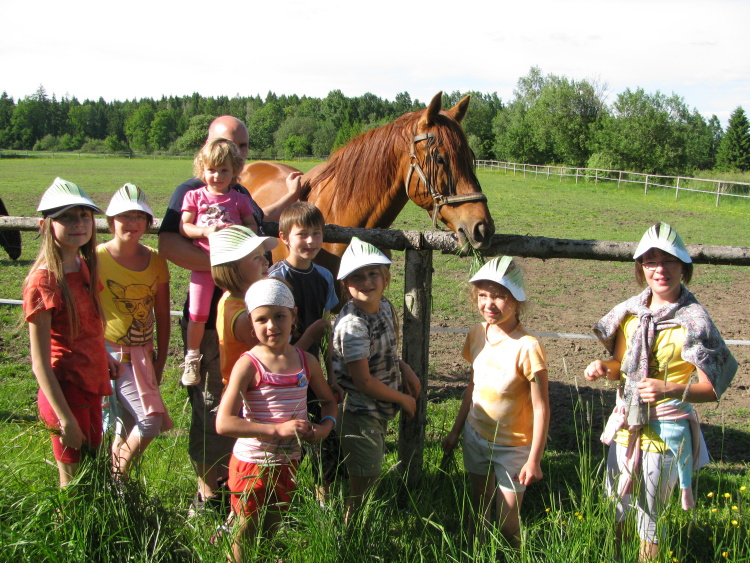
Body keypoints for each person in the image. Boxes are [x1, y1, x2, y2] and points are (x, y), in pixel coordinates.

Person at [158, 115, 303, 517]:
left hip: (247, 314)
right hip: (211, 322)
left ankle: (243, 490)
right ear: (206, 147)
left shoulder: (239, 191)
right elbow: (169, 243)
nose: (236, 154)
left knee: (246, 404)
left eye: (242, 147)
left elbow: (256, 225)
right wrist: (227, 269)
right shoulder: (189, 190)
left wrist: (290, 198)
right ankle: (208, 495)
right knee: (211, 407)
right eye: (227, 144)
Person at [584, 222, 737, 562]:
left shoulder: (695, 321)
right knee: (618, 509)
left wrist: (668, 389)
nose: (660, 270)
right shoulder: (630, 314)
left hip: (667, 434)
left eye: (669, 261)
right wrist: (603, 367)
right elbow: (621, 365)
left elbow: (712, 389)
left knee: (650, 521)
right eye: (651, 262)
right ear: (641, 268)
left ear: (683, 267)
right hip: (626, 428)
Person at [216, 278, 337, 562]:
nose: (271, 325)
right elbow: (224, 423)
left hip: (288, 462)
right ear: (251, 323)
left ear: (294, 316)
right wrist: (277, 430)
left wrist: (324, 428)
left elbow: (329, 400)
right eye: (261, 319)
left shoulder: (306, 361)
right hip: (253, 463)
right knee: (245, 532)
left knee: (272, 527)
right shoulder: (248, 364)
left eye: (279, 316)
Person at [441, 256, 550, 548]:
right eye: (483, 295)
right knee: (478, 507)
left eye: (499, 296)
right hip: (476, 436)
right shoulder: (477, 334)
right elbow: (473, 386)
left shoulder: (528, 347)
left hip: (513, 447)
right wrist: (456, 430)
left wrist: (534, 459)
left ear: (517, 299)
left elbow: (541, 407)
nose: (489, 303)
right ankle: (475, 551)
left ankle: (513, 554)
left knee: (508, 522)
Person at [22, 178, 120, 488]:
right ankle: (67, 522)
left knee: (94, 476)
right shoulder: (44, 282)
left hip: (91, 384)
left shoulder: (83, 265)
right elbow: (40, 363)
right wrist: (65, 419)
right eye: (65, 217)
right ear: (45, 225)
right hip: (66, 391)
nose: (78, 223)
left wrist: (102, 355)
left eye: (84, 215)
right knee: (73, 482)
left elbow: (88, 326)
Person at [332, 237, 421, 524]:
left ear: (386, 278)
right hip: (360, 411)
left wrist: (403, 368)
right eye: (357, 276)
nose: (366, 281)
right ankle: (352, 532)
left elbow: (384, 351)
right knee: (365, 478)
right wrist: (403, 398)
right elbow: (363, 382)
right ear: (345, 284)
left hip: (375, 406)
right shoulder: (354, 326)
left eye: (373, 273)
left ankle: (359, 525)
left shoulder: (383, 306)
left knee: (369, 471)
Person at [98, 184, 172, 480]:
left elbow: (163, 316)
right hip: (108, 355)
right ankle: (118, 475)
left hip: (143, 356)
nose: (132, 223)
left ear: (148, 222)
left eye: (139, 216)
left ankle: (115, 488)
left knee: (128, 424)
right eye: (124, 216)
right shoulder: (95, 259)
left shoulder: (156, 260)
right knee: (149, 421)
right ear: (111, 221)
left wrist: (160, 361)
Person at [268, 202, 342, 500]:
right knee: (289, 437)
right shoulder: (275, 279)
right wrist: (308, 337)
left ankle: (324, 499)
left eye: (317, 233)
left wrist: (331, 375)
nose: (311, 241)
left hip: (313, 371)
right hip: (283, 373)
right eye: (302, 234)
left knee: (324, 436)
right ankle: (280, 498)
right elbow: (271, 342)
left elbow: (326, 331)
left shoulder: (324, 277)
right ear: (284, 237)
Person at [180, 138, 258, 387]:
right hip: (203, 265)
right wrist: (205, 231)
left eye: (224, 170)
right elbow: (185, 226)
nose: (217, 176)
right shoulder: (194, 196)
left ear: (234, 171)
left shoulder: (239, 199)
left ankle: (241, 354)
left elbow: (252, 225)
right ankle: (192, 357)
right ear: (202, 169)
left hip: (231, 265)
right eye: (211, 170)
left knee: (233, 308)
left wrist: (240, 233)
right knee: (197, 313)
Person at [209, 225, 277, 385]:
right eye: (257, 257)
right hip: (250, 390)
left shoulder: (228, 298)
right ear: (233, 268)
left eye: (264, 255)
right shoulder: (244, 318)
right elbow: (271, 359)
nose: (266, 261)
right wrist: (309, 338)